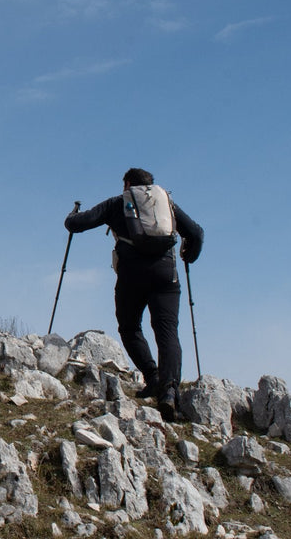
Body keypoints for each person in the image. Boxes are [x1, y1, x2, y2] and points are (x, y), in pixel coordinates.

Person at [64, 167, 204, 421]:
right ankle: (170, 391)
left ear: (127, 184)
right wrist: (188, 256)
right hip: (166, 275)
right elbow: (196, 233)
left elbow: (78, 224)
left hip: (131, 276)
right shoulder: (167, 204)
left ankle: (153, 376)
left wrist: (71, 216)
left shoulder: (120, 203)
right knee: (167, 331)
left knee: (129, 327)